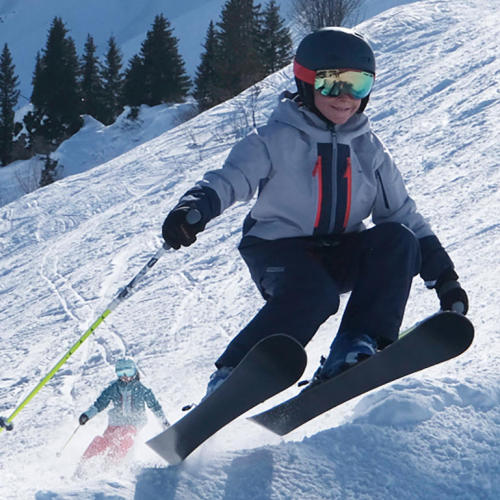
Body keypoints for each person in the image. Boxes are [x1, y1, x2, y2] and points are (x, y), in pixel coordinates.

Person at [161, 27, 468, 395]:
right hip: (277, 249)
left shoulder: (370, 151)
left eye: (357, 84)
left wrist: (446, 277)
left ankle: (356, 344)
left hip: (339, 250)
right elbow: (230, 178)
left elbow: (402, 214)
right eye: (330, 84)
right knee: (314, 294)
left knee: (397, 240)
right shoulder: (275, 138)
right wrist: (195, 208)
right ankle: (233, 375)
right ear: (306, 82)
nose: (344, 97)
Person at [78, 358, 169, 464]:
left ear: (135, 371)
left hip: (135, 422)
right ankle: (84, 462)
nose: (125, 376)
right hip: (115, 422)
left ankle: (111, 463)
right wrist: (87, 415)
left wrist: (164, 422)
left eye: (128, 372)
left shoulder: (142, 389)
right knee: (105, 440)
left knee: (126, 435)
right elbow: (100, 404)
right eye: (121, 373)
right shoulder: (113, 388)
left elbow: (155, 407)